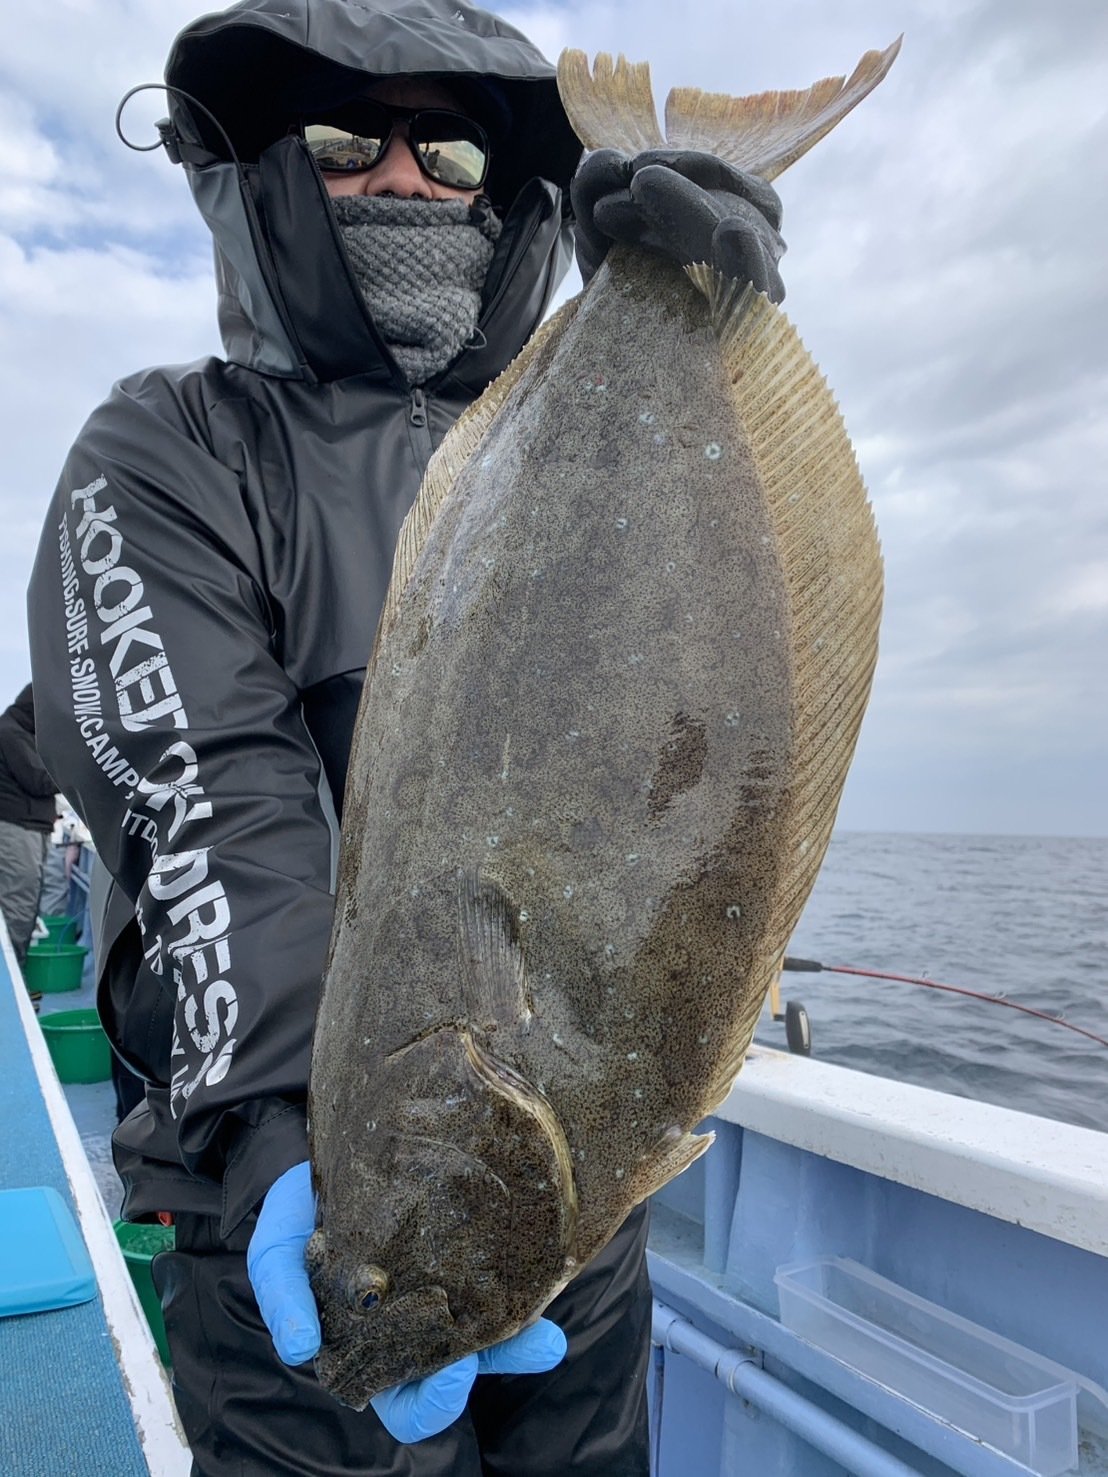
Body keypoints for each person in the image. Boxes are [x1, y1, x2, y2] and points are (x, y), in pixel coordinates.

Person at [27, 1, 785, 1472]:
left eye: (447, 149)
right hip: (297, 1213)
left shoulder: (564, 441)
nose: (399, 175)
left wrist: (703, 323)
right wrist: (287, 1133)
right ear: (266, 167)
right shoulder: (172, 449)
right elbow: (210, 801)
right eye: (342, 140)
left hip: (579, 1197)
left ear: (501, 192)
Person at [0, 684, 57, 965]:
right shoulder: (10, 732)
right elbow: (38, 780)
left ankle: (15, 972)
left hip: (30, 829)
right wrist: (74, 775)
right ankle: (11, 975)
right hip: (18, 830)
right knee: (18, 905)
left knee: (26, 903)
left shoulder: (18, 731)